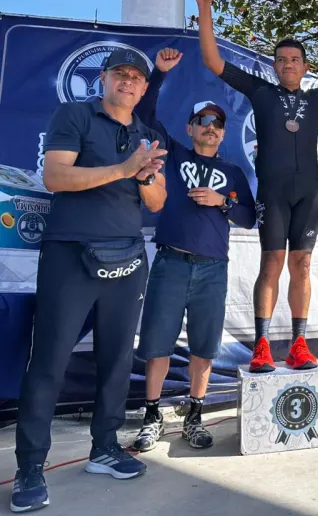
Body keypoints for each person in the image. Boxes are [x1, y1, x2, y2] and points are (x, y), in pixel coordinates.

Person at [11, 49, 168, 513]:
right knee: (49, 362)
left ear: (143, 89)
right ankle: (30, 468)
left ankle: (105, 448)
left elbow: (157, 202)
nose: (128, 82)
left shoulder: (148, 135)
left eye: (137, 78)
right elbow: (56, 176)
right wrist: (121, 169)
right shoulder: (75, 114)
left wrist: (141, 176)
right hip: (70, 256)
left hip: (127, 258)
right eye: (120, 74)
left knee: (118, 360)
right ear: (104, 79)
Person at [195, 0, 318, 374]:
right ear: (274, 65)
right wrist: (206, 10)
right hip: (272, 192)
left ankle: (299, 345)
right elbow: (212, 60)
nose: (288, 64)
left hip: (308, 193)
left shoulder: (317, 98)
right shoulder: (261, 92)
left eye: (295, 59)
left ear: (305, 67)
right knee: (271, 262)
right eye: (282, 59)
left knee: (302, 266)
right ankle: (261, 347)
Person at [129, 48, 257, 452]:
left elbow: (250, 218)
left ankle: (195, 413)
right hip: (170, 260)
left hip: (213, 268)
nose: (210, 128)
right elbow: (145, 117)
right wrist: (159, 72)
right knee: (157, 341)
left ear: (223, 131)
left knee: (204, 345)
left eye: (217, 123)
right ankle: (152, 415)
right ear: (190, 128)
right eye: (202, 121)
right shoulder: (173, 152)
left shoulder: (233, 172)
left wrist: (222, 202)